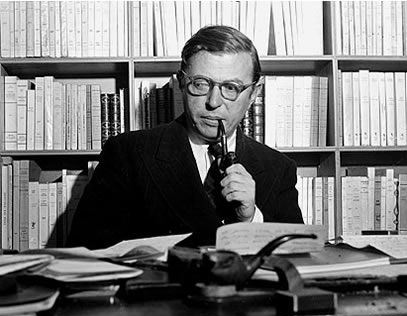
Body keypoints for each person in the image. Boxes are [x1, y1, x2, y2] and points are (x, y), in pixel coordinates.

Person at [66, 25, 303, 249]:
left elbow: (300, 260)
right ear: (181, 82)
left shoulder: (278, 168)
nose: (213, 102)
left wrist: (251, 221)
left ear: (253, 94)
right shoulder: (127, 154)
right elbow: (86, 254)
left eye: (231, 88)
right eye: (200, 83)